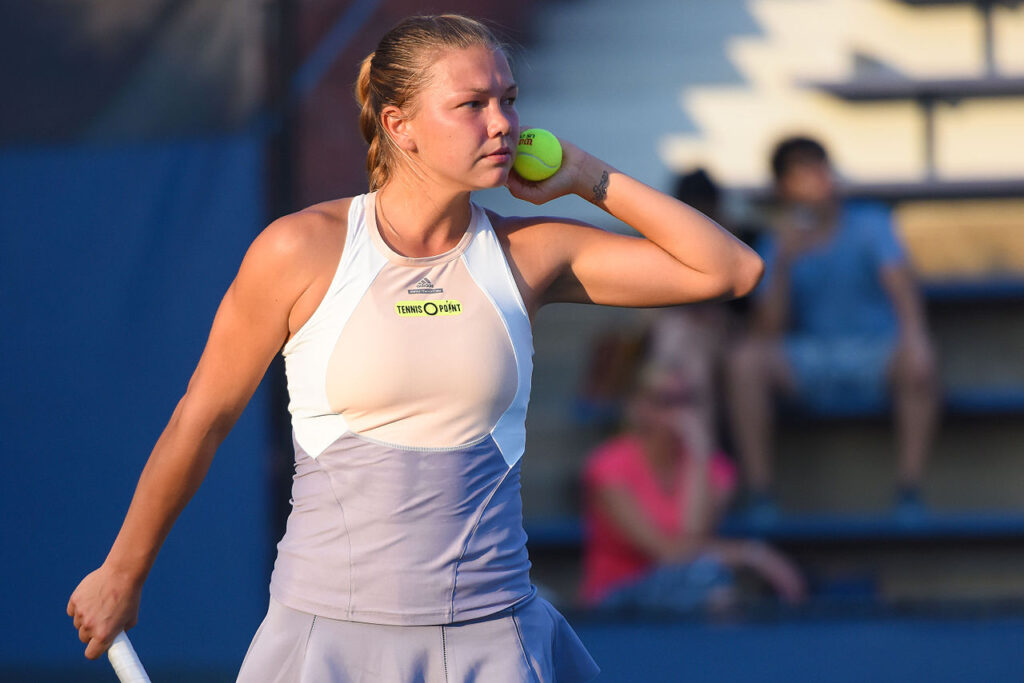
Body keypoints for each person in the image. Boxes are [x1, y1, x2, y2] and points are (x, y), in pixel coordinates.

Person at [66, 14, 763, 681]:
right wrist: (123, 572)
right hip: (326, 638)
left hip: (495, 636)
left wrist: (585, 175)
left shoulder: (530, 254)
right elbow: (203, 418)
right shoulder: (298, 249)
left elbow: (730, 269)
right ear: (399, 126)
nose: (503, 124)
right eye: (472, 104)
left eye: (509, 101)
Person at [725, 136, 939, 519]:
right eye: (802, 170)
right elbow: (766, 332)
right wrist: (785, 263)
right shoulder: (780, 242)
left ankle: (910, 493)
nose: (817, 176)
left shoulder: (871, 222)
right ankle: (761, 497)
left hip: (876, 352)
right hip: (812, 357)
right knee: (744, 363)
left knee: (919, 358)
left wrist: (916, 337)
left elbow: (901, 289)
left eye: (820, 165)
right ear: (783, 187)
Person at [581, 362, 806, 611]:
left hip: (687, 585)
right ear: (639, 408)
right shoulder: (609, 467)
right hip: (616, 597)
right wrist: (754, 555)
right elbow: (668, 553)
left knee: (711, 583)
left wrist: (699, 457)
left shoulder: (716, 470)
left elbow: (694, 534)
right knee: (707, 579)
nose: (679, 413)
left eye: (686, 400)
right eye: (666, 401)